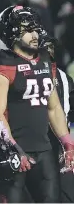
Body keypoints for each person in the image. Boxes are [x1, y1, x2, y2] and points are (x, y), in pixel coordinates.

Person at [0, 5, 74, 202]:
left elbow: (53, 108)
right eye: (27, 29)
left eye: (35, 28)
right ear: (11, 33)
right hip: (12, 151)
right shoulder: (3, 63)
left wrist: (67, 142)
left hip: (43, 149)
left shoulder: (45, 59)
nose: (34, 34)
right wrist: (15, 148)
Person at [40, 35, 74, 203]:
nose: (48, 51)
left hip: (61, 141)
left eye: (51, 47)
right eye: (44, 47)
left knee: (67, 191)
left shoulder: (65, 78)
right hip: (37, 142)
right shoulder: (26, 74)